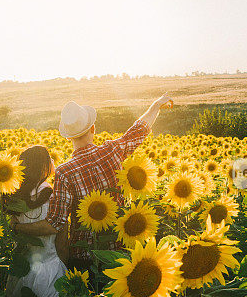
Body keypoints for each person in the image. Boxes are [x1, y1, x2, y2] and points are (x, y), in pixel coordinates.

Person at [12, 93, 173, 272]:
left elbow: (55, 224)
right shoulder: (112, 151)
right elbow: (139, 130)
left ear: (68, 138)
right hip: (120, 250)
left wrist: (18, 226)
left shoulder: (65, 172)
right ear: (93, 128)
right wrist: (156, 105)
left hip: (84, 256)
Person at [4, 145, 67, 297]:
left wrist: (17, 227)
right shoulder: (53, 197)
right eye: (50, 158)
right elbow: (61, 241)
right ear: (42, 166)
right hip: (49, 270)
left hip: (22, 270)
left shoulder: (16, 198)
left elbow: (13, 231)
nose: (53, 161)